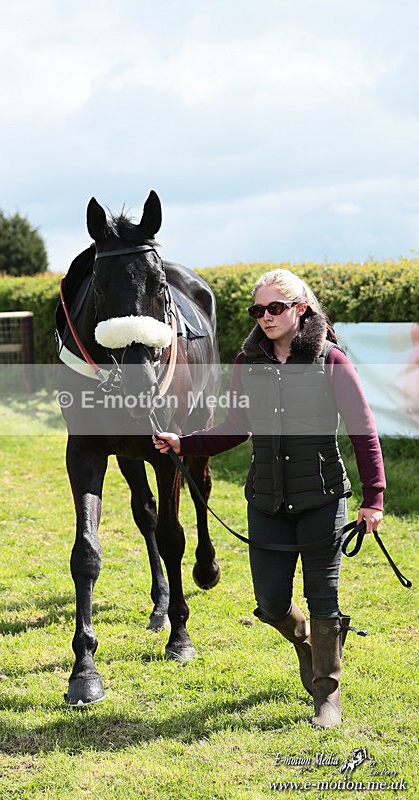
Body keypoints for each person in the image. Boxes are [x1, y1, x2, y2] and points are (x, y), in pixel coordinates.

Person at [153, 268, 385, 729]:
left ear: (301, 309)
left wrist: (373, 497)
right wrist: (185, 442)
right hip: (265, 501)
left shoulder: (331, 360)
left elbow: (363, 430)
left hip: (322, 498)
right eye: (257, 309)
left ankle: (327, 693)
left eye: (275, 307)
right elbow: (237, 427)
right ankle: (308, 642)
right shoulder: (247, 362)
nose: (265, 316)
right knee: (271, 602)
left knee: (323, 596)